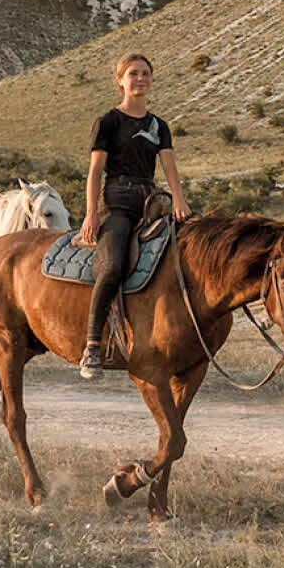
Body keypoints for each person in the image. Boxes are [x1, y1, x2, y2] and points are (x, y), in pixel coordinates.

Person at [76, 52, 192, 380]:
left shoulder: (159, 125)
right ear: (120, 81)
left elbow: (169, 166)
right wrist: (91, 214)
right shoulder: (108, 121)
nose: (140, 79)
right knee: (112, 266)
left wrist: (179, 201)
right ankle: (93, 345)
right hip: (117, 203)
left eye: (145, 73)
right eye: (133, 74)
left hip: (151, 202)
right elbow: (95, 172)